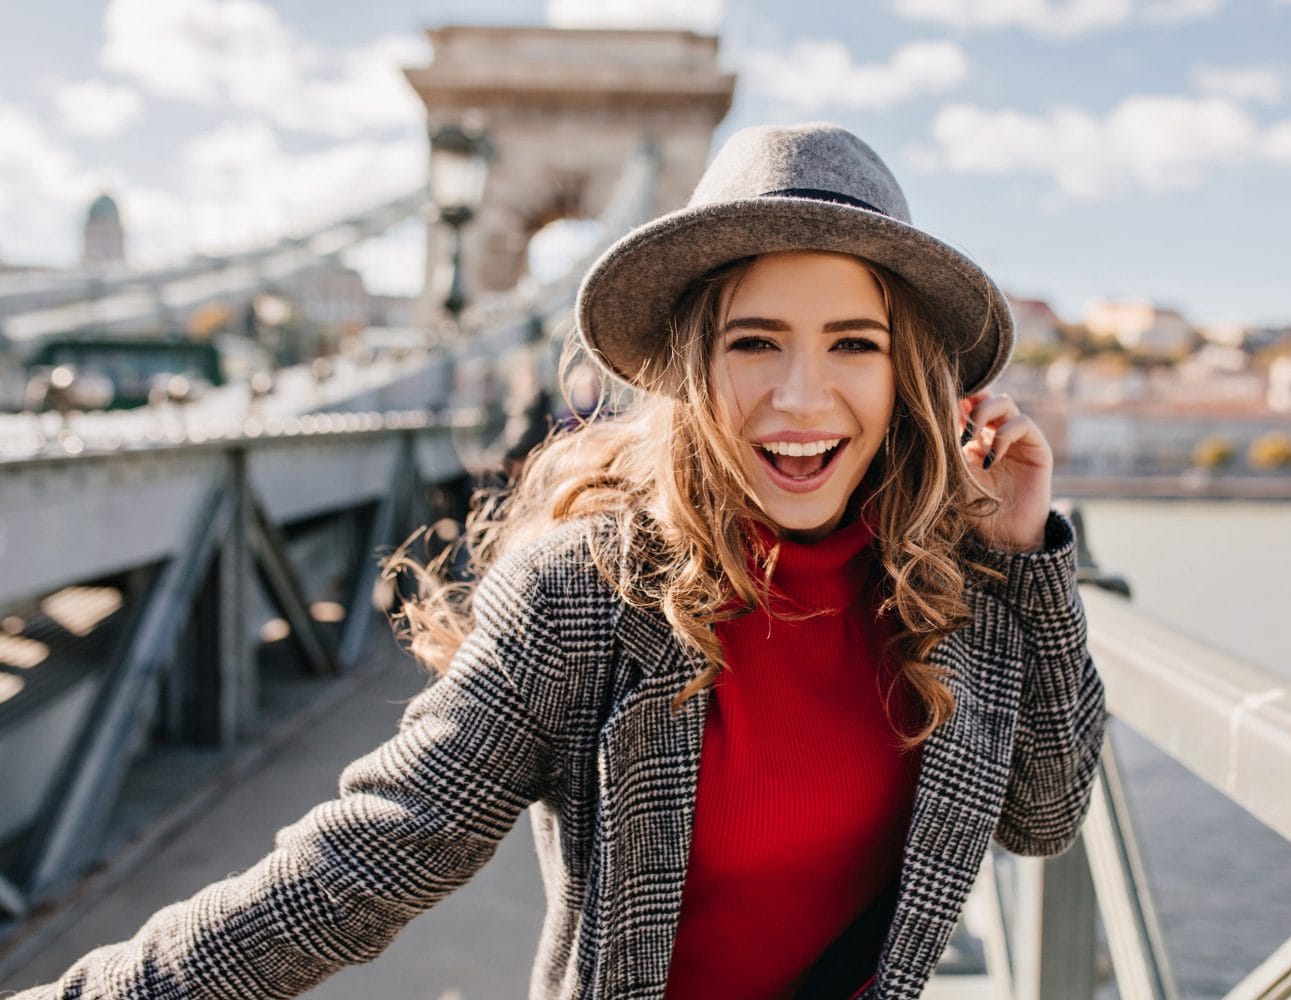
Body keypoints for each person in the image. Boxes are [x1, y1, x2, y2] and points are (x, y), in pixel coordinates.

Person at [13, 123, 1105, 1000]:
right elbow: (361, 864)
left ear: (906, 372)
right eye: (754, 340)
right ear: (690, 363)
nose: (801, 398)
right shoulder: (588, 595)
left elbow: (1045, 816)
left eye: (853, 345)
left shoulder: (958, 587)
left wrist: (1030, 559)